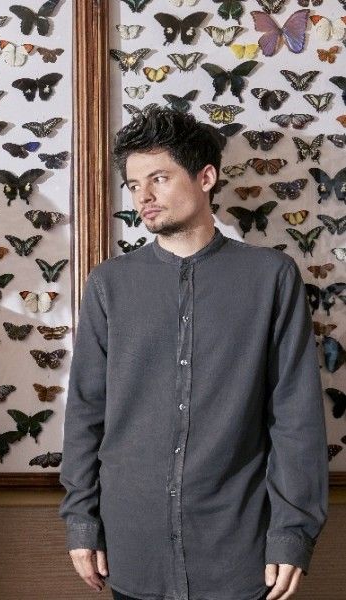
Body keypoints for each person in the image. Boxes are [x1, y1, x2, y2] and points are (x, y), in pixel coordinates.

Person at [60, 107, 328, 600]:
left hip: (239, 549)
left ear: (206, 178)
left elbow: (296, 416)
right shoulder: (108, 285)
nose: (143, 196)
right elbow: (85, 412)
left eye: (159, 178)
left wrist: (293, 532)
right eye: (134, 184)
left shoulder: (271, 277)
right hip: (132, 546)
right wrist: (81, 520)